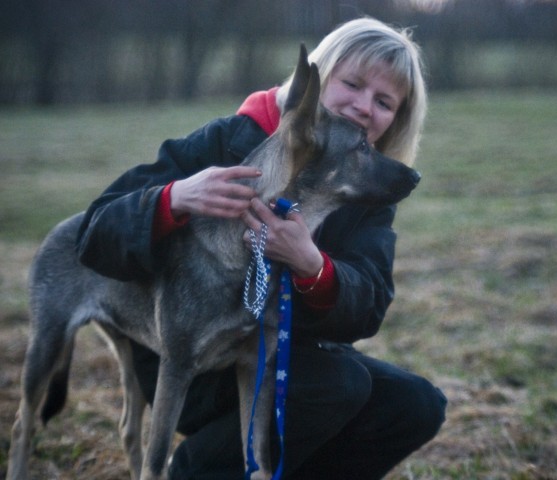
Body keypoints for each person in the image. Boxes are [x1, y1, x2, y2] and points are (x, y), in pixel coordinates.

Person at [76, 17, 447, 480]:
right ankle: (194, 471)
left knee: (415, 405)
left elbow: (367, 307)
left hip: (287, 353)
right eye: (351, 83)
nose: (363, 106)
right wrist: (173, 198)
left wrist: (313, 265)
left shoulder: (362, 188)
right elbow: (92, 234)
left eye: (385, 102)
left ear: (397, 119)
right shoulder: (225, 142)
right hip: (190, 363)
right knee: (337, 386)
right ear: (318, 76)